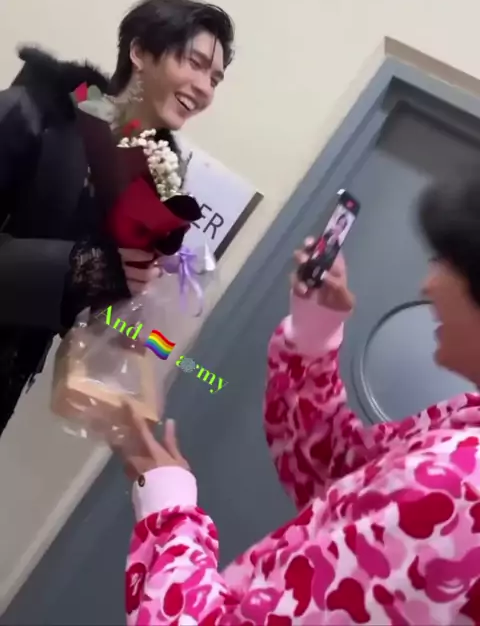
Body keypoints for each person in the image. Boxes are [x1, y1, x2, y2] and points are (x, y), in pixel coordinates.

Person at [118, 176, 480, 625]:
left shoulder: (459, 490)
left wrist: (167, 513)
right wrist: (314, 331)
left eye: (445, 263)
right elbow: (341, 476)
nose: (428, 285)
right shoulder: (467, 430)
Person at [0, 0, 234, 435]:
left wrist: (135, 298)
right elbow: (75, 268)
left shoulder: (154, 182)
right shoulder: (36, 113)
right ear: (139, 52)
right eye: (194, 63)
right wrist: (83, 268)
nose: (205, 88)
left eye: (216, 78)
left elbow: (78, 302)